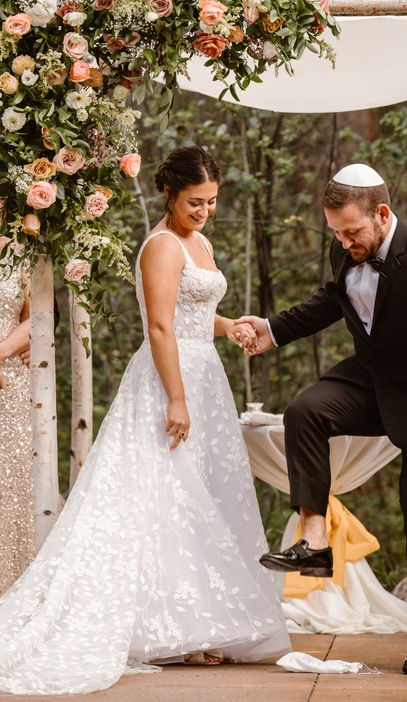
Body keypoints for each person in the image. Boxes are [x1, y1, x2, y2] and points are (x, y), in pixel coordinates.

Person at [0, 146, 290, 695]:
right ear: (168, 193)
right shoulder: (160, 245)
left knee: (201, 494)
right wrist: (175, 399)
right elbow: (160, 327)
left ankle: (201, 623)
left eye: (210, 202)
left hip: (205, 376)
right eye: (194, 202)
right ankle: (175, 630)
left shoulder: (198, 241)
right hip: (169, 379)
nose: (204, 211)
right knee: (166, 496)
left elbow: (196, 315)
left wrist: (235, 329)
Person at [236, 163, 407, 675]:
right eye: (335, 231)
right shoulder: (345, 249)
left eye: (351, 231)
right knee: (307, 409)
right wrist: (273, 330)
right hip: (371, 381)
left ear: (382, 213)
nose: (343, 240)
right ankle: (314, 541)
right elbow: (334, 300)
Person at [0, 238, 33, 595]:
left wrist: (5, 350)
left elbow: (34, 316)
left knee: (11, 488)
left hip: (11, 384)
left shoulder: (19, 251)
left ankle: (11, 593)